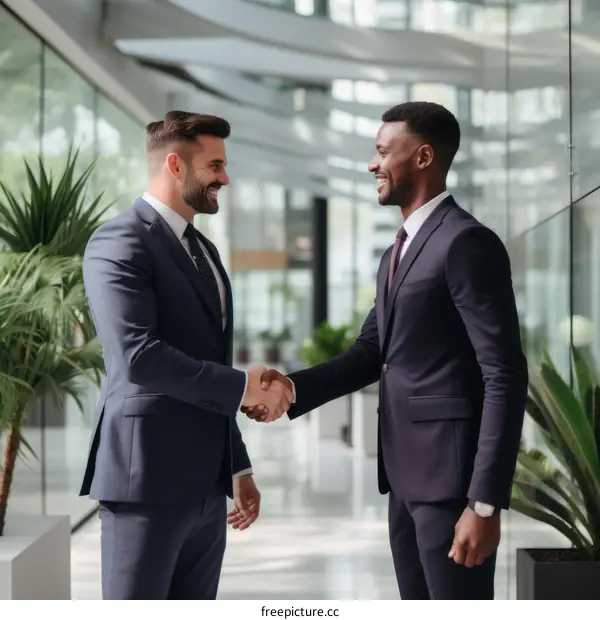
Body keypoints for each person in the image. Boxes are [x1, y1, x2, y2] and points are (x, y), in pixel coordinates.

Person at [243, 102, 528, 600]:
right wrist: (292, 387)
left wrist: (484, 503)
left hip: (451, 486)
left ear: (421, 157)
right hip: (402, 481)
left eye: (381, 152)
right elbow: (371, 352)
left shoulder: (466, 243)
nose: (372, 165)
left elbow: (503, 373)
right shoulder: (395, 252)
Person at [80, 110, 293, 600]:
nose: (225, 177)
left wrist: (237, 467)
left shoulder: (206, 251)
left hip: (206, 489)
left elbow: (207, 360)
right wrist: (244, 385)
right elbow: (138, 356)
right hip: (145, 484)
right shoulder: (119, 241)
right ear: (175, 165)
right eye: (214, 165)